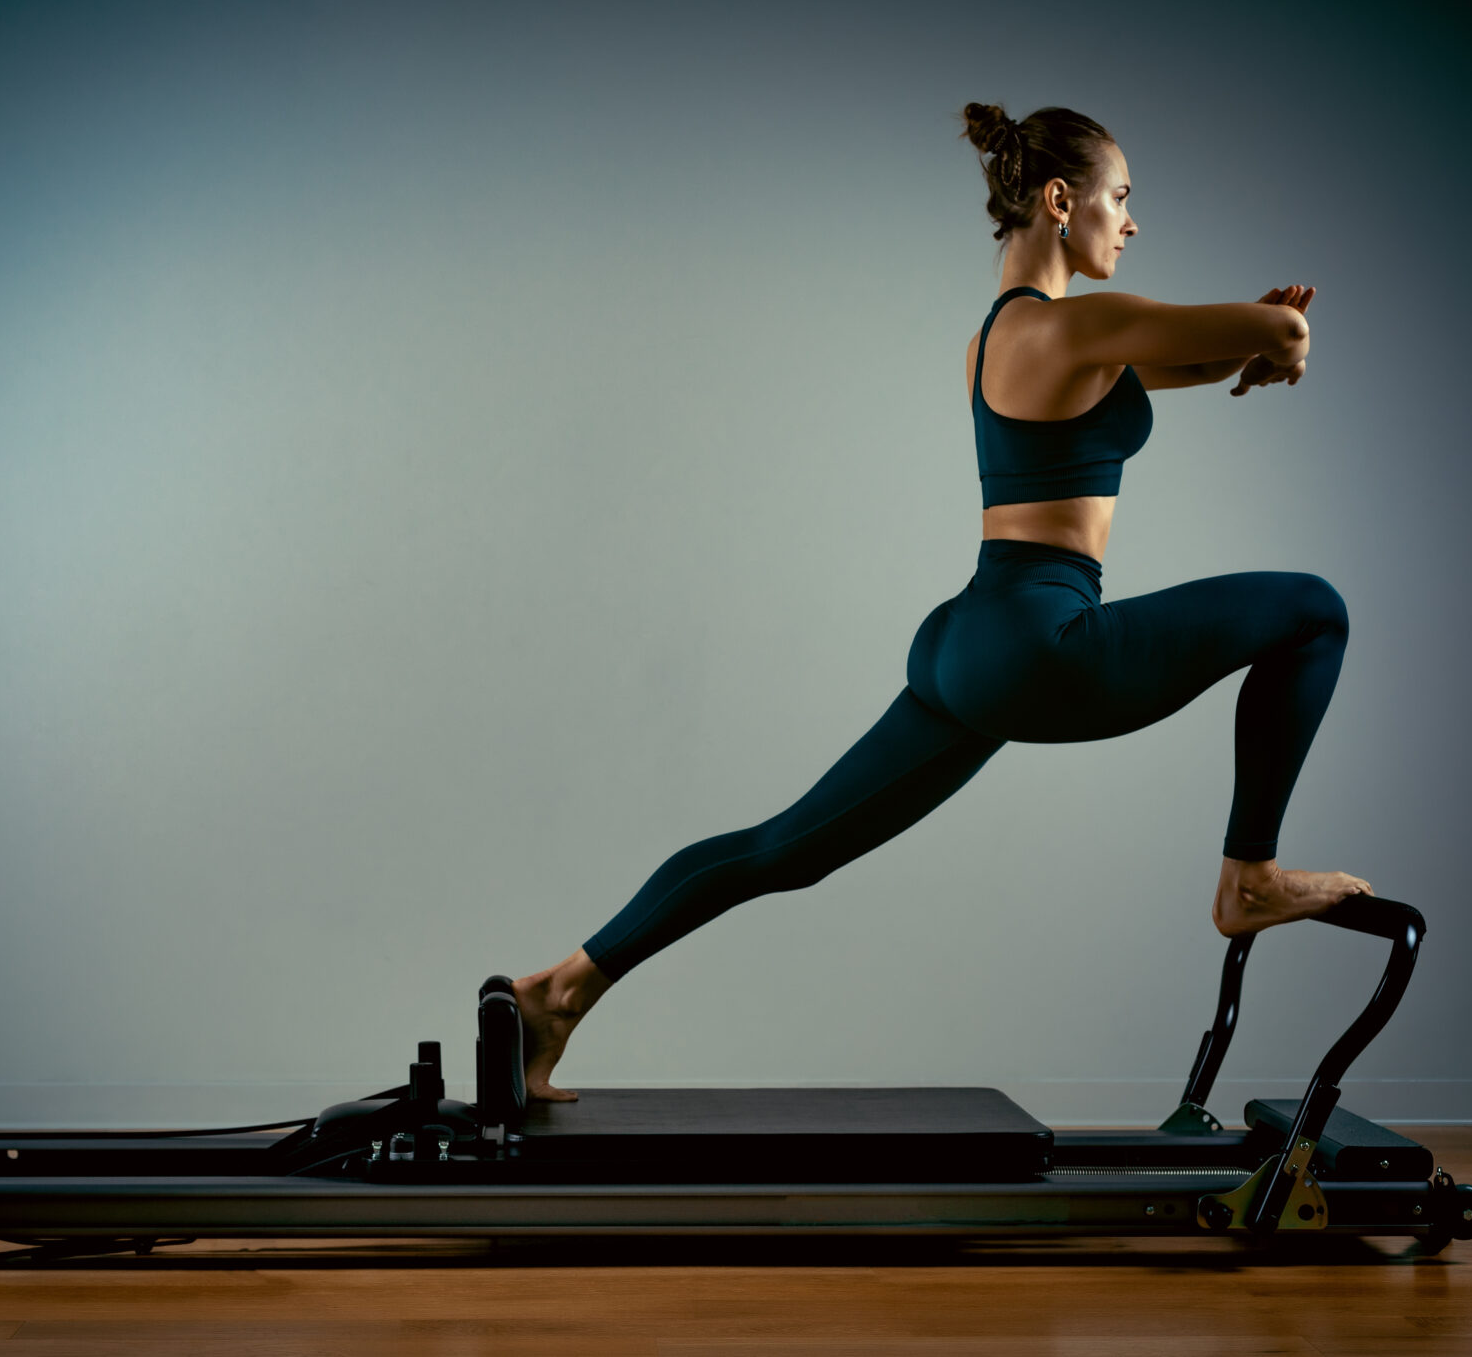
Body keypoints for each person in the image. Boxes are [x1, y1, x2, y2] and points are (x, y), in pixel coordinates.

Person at [510, 103, 1374, 1103]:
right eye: (1120, 197)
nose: (1130, 223)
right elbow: (1277, 327)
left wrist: (1249, 350)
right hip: (1043, 642)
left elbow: (1186, 358)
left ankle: (559, 990)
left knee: (784, 848)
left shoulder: (1000, 340)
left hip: (967, 641)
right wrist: (1281, 342)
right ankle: (1250, 876)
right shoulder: (1079, 322)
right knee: (1313, 608)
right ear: (1061, 200)